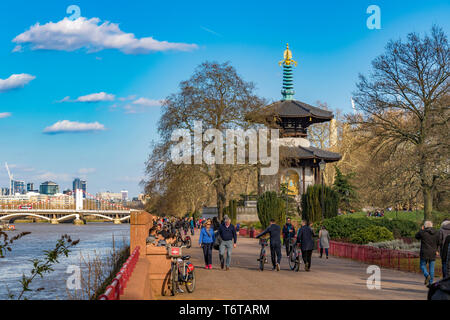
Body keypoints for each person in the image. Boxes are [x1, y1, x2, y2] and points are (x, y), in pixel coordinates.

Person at [415, 221, 440, 285]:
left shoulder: (423, 232)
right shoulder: (437, 233)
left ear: (425, 226)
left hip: (424, 252)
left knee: (422, 265)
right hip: (433, 252)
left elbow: (416, 236)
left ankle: (426, 275)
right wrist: (437, 250)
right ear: (432, 225)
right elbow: (439, 242)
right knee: (432, 268)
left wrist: (421, 229)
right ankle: (431, 283)